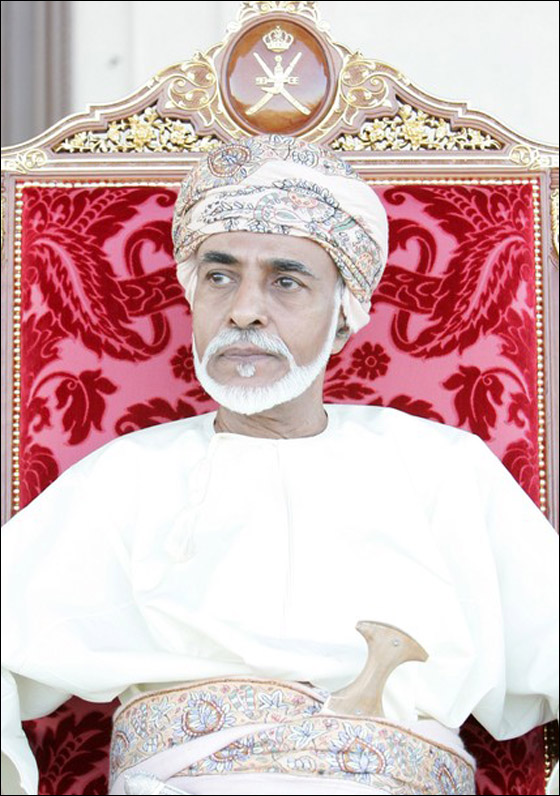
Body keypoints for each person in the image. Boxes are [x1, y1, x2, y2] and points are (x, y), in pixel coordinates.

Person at [1, 135, 558, 796]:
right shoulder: (126, 477)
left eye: (286, 281)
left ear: (346, 312)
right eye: (220, 276)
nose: (243, 310)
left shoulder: (445, 469)